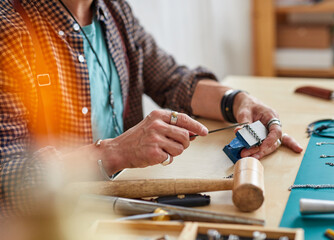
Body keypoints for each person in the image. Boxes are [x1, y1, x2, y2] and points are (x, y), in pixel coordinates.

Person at [0, 0, 302, 215]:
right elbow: (6, 177)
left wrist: (238, 101)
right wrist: (115, 151)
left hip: (123, 206)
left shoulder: (114, 11)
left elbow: (173, 81)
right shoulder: (8, 30)